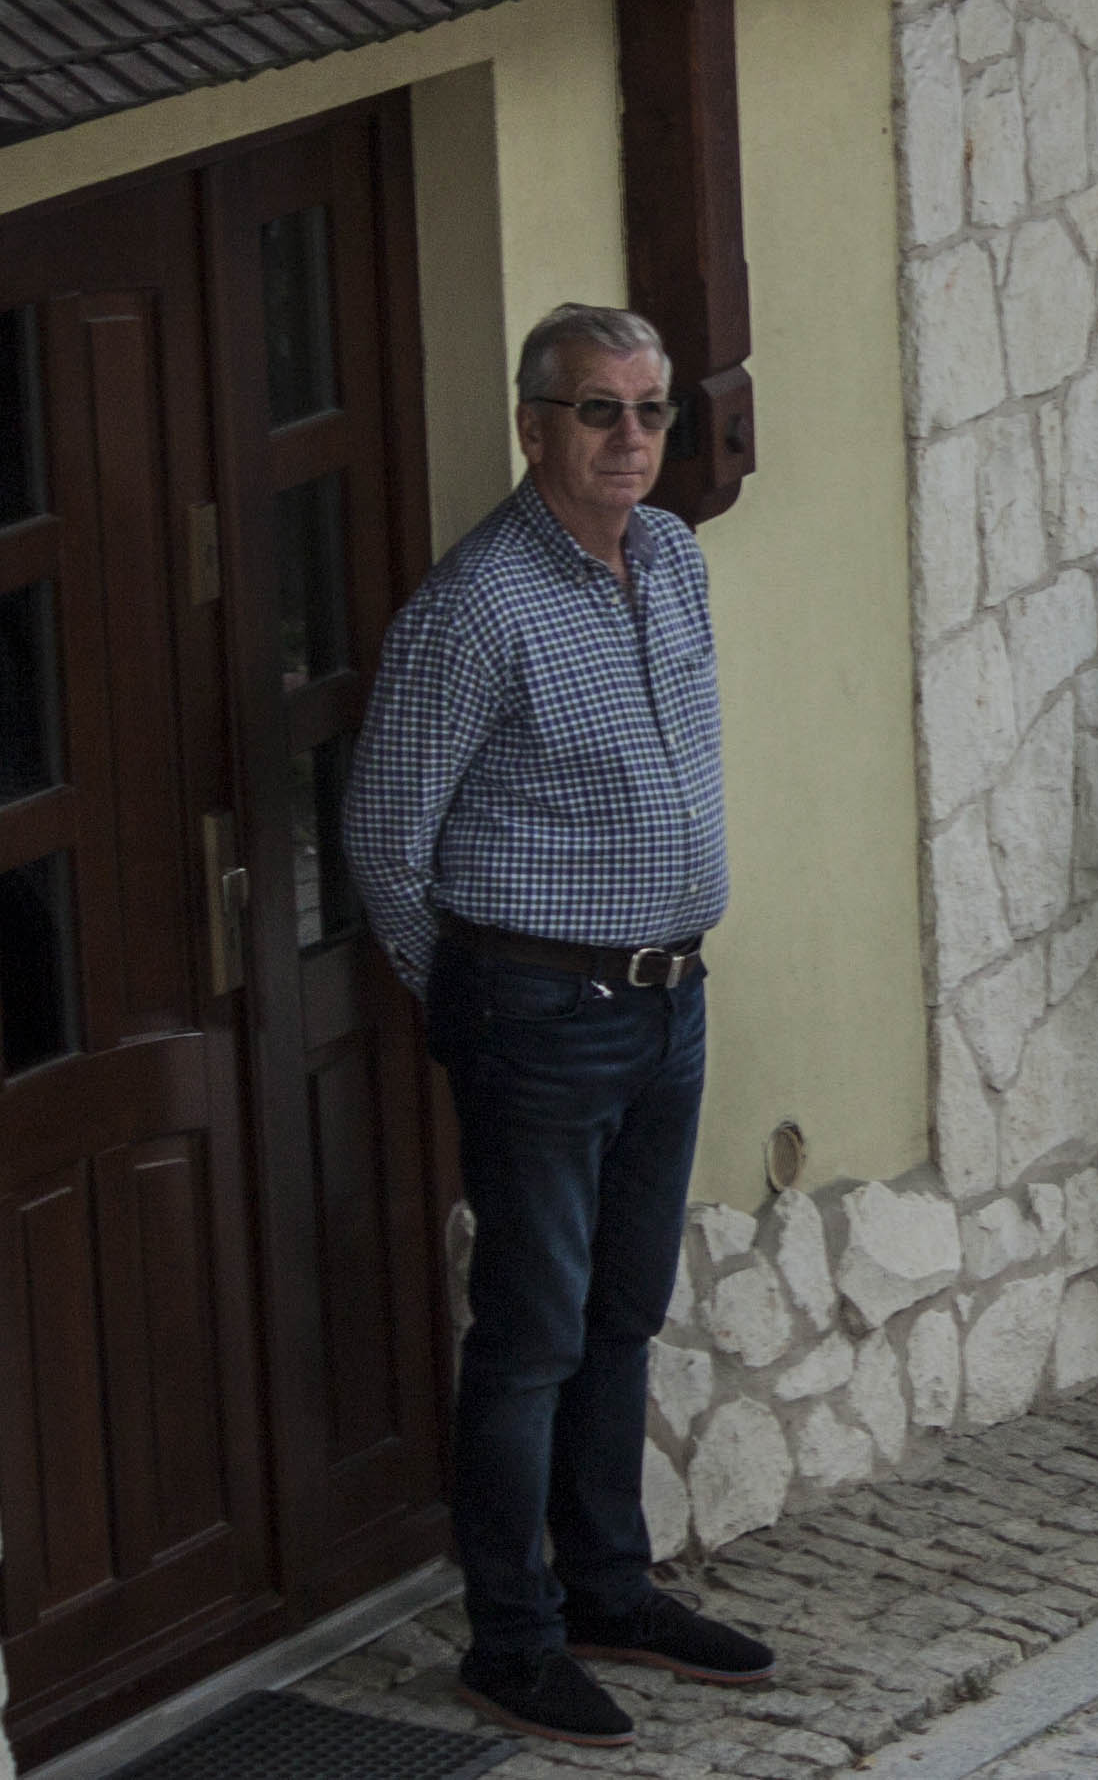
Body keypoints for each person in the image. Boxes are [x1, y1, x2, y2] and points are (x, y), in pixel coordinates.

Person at [344, 305, 771, 1751]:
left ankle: (608, 1590)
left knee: (621, 1314)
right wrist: (478, 1005)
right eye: (600, 410)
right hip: (538, 1012)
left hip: (667, 1001)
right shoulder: (475, 608)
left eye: (651, 410)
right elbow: (384, 838)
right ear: (535, 426)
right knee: (530, 1335)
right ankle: (511, 1639)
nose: (632, 438)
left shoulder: (674, 560)